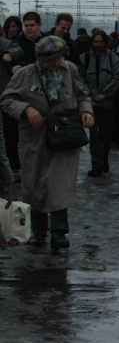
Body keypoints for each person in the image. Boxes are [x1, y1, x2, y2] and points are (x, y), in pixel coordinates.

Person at [0, 36, 94, 251]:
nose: (56, 63)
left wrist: (86, 111)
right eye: (52, 60)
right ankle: (38, 231)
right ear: (41, 59)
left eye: (59, 58)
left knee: (60, 182)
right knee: (35, 183)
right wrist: (26, 109)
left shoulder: (69, 70)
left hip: (64, 133)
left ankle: (59, 232)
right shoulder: (25, 75)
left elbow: (82, 95)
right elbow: (7, 99)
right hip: (35, 135)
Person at [79, 29, 119, 177]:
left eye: (101, 41)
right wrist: (89, 95)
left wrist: (104, 94)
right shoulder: (84, 58)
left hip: (107, 104)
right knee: (94, 135)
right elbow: (80, 79)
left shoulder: (113, 58)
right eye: (96, 42)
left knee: (106, 135)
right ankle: (96, 164)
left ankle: (103, 160)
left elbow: (117, 78)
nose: (98, 44)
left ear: (105, 42)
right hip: (91, 104)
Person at [0, 33, 25, 183]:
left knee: (5, 140)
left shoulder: (4, 44)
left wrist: (9, 55)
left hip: (3, 97)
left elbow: (18, 50)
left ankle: (8, 177)